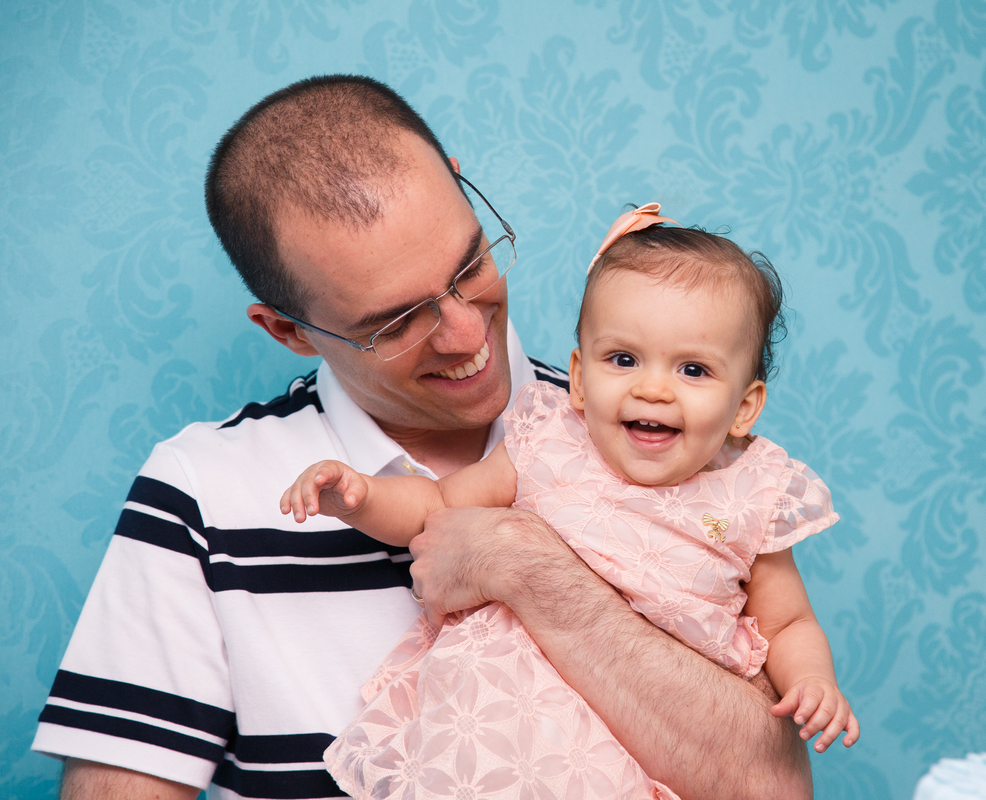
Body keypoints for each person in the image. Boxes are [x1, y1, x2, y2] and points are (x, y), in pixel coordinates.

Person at [31, 76, 814, 799]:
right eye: (397, 323)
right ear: (288, 331)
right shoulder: (200, 492)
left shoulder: (651, 444)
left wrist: (528, 570)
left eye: (471, 263)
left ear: (459, 180)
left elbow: (776, 788)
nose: (469, 333)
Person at [282, 206, 859, 799]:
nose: (653, 388)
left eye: (693, 369)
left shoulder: (753, 494)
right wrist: (361, 497)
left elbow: (788, 621)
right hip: (504, 721)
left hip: (653, 743)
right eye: (624, 360)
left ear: (744, 407)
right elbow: (434, 505)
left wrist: (813, 681)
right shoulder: (549, 442)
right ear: (579, 379)